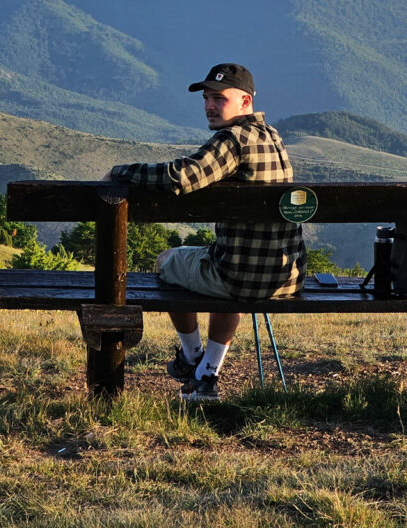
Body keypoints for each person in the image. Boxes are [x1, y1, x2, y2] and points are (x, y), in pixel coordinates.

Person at [104, 62, 305, 401]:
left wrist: (121, 172)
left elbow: (181, 177)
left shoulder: (233, 140)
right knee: (220, 263)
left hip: (242, 278)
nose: (210, 106)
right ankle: (206, 375)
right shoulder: (272, 137)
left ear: (245, 101)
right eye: (207, 98)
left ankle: (194, 357)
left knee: (168, 261)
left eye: (219, 99)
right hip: (288, 278)